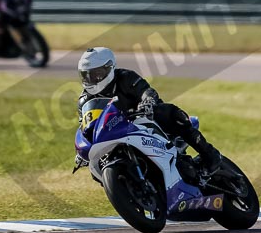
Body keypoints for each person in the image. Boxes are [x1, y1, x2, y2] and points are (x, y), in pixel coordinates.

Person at [77, 46, 222, 173]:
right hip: (116, 133)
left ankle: (210, 155)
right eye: (86, 75)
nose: (91, 79)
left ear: (109, 68)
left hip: (144, 119)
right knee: (96, 166)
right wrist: (82, 149)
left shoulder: (125, 77)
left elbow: (146, 91)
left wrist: (147, 101)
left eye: (96, 74)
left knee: (171, 113)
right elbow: (87, 126)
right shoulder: (85, 100)